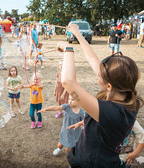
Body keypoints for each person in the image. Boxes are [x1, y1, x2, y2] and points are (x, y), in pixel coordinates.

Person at [57, 23, 143, 167]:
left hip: (92, 163)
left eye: (99, 76)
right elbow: (92, 59)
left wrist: (68, 49)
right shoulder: (125, 97)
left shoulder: (113, 113)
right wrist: (77, 34)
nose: (97, 75)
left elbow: (68, 82)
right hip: (89, 156)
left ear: (109, 86)